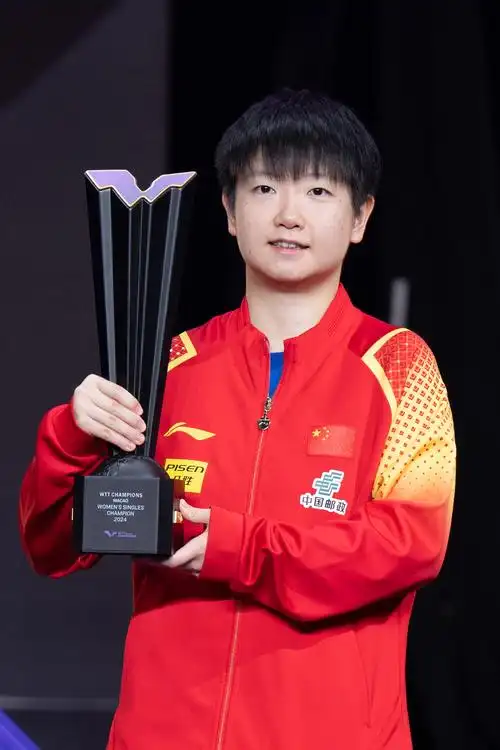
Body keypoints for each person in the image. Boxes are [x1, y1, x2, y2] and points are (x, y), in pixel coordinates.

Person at [19, 88, 456, 749]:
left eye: (318, 191)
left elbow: (409, 545)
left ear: (360, 217)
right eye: (263, 188)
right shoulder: (167, 366)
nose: (288, 215)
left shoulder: (398, 367)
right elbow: (51, 546)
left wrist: (239, 546)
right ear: (228, 211)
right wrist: (72, 435)